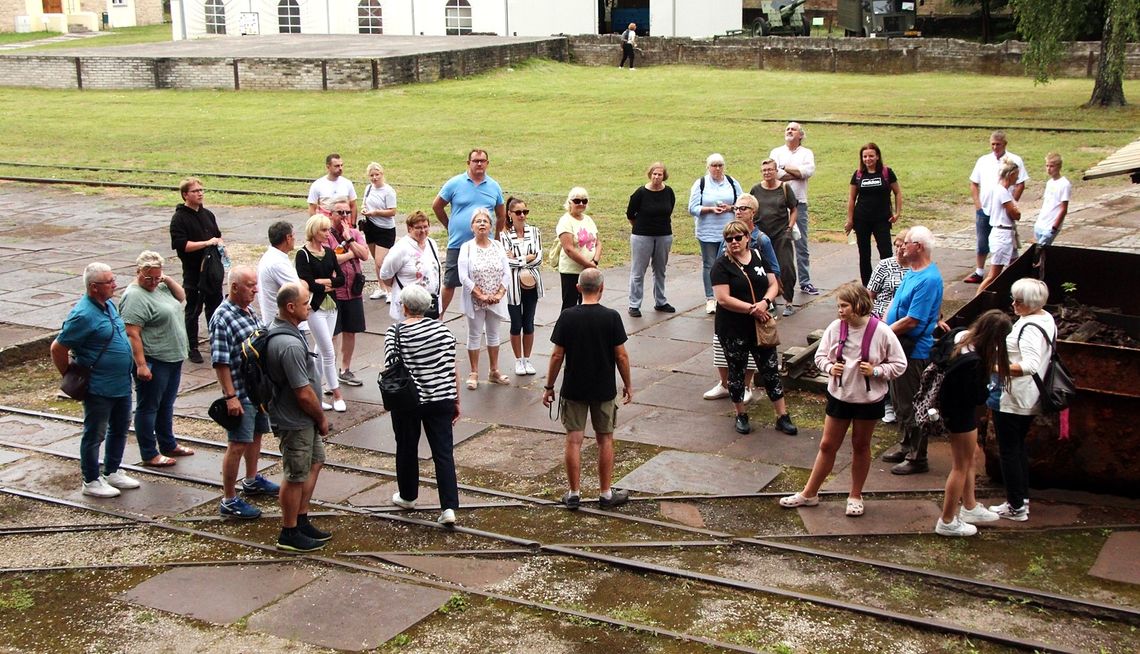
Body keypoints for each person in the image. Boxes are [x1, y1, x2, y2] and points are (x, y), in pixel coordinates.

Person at [780, 283, 906, 516]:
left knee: (861, 445)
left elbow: (900, 364)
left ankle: (855, 495)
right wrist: (829, 367)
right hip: (840, 396)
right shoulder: (836, 328)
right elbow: (820, 356)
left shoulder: (881, 331)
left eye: (844, 306)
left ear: (859, 305)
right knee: (828, 445)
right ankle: (809, 493)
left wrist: (877, 371)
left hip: (868, 400)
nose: (840, 311)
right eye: (838, 306)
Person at [543, 269, 632, 510]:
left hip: (574, 388)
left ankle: (573, 493)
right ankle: (605, 493)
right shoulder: (612, 317)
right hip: (603, 388)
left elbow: (556, 355)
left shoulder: (567, 317)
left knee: (573, 440)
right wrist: (628, 384)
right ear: (602, 289)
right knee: (605, 440)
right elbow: (621, 356)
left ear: (578, 288)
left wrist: (549, 386)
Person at [50, 263, 139, 498]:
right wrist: (70, 374)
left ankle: (112, 470)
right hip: (99, 386)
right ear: (93, 287)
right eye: (109, 282)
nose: (114, 284)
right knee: (95, 434)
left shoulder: (108, 304)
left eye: (113, 279)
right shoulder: (82, 315)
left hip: (120, 383)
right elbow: (58, 348)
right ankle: (90, 479)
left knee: (120, 427)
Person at [703, 195, 789, 430]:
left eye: (738, 237)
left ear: (748, 238)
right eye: (729, 239)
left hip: (760, 323)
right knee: (736, 372)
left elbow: (774, 284)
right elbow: (723, 299)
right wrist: (754, 309)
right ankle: (740, 414)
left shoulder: (759, 256)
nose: (733, 242)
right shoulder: (721, 265)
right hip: (734, 327)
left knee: (770, 369)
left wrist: (765, 302)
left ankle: (782, 416)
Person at [386, 284, 461, 527]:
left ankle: (408, 496)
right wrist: (456, 399)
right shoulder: (443, 331)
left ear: (405, 307)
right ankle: (448, 506)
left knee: (406, 447)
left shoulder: (395, 332)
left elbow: (390, 367)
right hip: (441, 398)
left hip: (408, 401)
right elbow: (452, 366)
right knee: (443, 452)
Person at [209, 265, 280, 519]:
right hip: (240, 391)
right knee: (237, 443)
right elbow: (220, 361)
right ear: (234, 287)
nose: (256, 289)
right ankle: (228, 499)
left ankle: (251, 480)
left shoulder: (248, 310)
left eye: (255, 284)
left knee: (257, 434)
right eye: (250, 285)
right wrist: (230, 397)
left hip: (257, 390)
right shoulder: (223, 317)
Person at [266, 283, 332, 552]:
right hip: (296, 419)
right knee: (295, 474)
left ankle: (301, 519)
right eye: (306, 303)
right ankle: (289, 531)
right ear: (290, 307)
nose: (310, 307)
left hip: (303, 419)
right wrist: (321, 418)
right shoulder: (289, 344)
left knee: (314, 462)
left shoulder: (289, 333)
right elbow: (303, 393)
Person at [935, 309, 1011, 536]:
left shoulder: (959, 337)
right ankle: (947, 520)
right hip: (960, 414)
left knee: (972, 456)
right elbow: (977, 397)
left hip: (952, 411)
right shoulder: (973, 362)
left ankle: (969, 506)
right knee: (961, 465)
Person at [120, 251, 195, 468]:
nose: (153, 282)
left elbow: (182, 297)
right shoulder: (134, 296)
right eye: (148, 278)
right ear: (138, 272)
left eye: (156, 277)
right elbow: (132, 333)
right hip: (155, 358)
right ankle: (149, 452)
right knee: (149, 406)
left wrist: (167, 280)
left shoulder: (161, 286)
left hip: (172, 357)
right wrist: (141, 365)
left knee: (166, 405)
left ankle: (168, 443)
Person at [990, 278, 1056, 522]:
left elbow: (1029, 365)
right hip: (1027, 395)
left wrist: (995, 367)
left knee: (1009, 450)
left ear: (1032, 303)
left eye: (1019, 301)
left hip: (1014, 396)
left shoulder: (1028, 328)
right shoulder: (1045, 319)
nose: (1014, 304)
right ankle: (1020, 499)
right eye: (1014, 298)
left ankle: (1016, 506)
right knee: (1016, 448)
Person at [881, 226, 944, 475]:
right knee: (898, 400)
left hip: (913, 349)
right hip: (898, 345)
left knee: (911, 402)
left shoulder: (928, 279)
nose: (902, 246)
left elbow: (912, 320)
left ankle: (918, 456)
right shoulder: (912, 272)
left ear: (918, 246)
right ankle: (906, 444)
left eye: (906, 242)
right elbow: (896, 305)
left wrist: (882, 334)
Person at [432, 149, 506, 315]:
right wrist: (449, 225)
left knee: (486, 281)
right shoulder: (455, 183)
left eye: (482, 161)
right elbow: (437, 206)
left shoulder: (494, 186)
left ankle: (486, 316)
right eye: (475, 161)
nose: (479, 164)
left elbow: (501, 215)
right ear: (468, 163)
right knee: (450, 281)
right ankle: (438, 317)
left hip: (484, 246)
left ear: (487, 163)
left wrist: (496, 239)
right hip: (458, 243)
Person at [296, 214, 346, 412]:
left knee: (320, 349)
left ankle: (315, 390)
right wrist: (328, 283)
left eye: (327, 230)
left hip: (331, 306)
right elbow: (306, 282)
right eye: (323, 230)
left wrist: (323, 283)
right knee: (328, 351)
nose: (327, 234)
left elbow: (340, 279)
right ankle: (337, 393)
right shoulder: (303, 254)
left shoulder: (329, 252)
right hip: (315, 307)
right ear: (313, 231)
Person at [169, 177, 222, 364]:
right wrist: (206, 243)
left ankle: (216, 341)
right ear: (185, 195)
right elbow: (181, 245)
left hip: (211, 271)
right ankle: (192, 346)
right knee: (193, 310)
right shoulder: (179, 218)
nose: (200, 193)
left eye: (201, 190)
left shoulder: (207, 214)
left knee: (215, 308)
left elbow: (217, 236)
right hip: (193, 272)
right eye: (195, 191)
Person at [458, 208, 511, 389]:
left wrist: (499, 294)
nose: (482, 224)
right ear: (472, 226)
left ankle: (494, 370)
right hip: (476, 299)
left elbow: (507, 272)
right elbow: (463, 276)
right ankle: (473, 372)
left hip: (496, 297)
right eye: (478, 221)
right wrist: (479, 294)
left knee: (494, 333)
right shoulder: (467, 247)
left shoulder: (497, 245)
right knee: (474, 334)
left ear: (490, 226)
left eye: (485, 221)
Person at [966, 131, 1028, 284]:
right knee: (982, 241)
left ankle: (1012, 275)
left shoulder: (1014, 160)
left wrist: (1012, 202)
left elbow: (1021, 183)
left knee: (1010, 243)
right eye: (992, 144)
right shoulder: (983, 161)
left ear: (1004, 144)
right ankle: (979, 271)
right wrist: (978, 204)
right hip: (985, 208)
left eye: (998, 144)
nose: (995, 147)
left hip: (1003, 211)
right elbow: (974, 183)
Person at [688, 153, 744, 314]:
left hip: (729, 232)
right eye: (714, 165)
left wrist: (730, 208)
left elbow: (743, 203)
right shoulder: (701, 184)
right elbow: (692, 208)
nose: (717, 168)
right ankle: (711, 298)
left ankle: (731, 296)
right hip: (707, 232)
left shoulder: (732, 182)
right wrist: (710, 209)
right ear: (708, 167)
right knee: (709, 264)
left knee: (733, 262)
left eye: (720, 165)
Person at [866, 228, 911, 424]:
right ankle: (886, 403)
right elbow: (870, 294)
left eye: (903, 245)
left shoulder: (916, 270)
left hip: (904, 322)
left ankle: (899, 401)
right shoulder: (885, 265)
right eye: (897, 245)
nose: (900, 249)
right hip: (882, 320)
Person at [769, 122, 819, 296]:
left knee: (801, 244)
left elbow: (807, 172)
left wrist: (785, 169)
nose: (789, 131)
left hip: (799, 203)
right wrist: (794, 173)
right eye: (787, 129)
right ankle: (778, 282)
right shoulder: (776, 152)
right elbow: (775, 174)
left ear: (801, 135)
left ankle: (805, 281)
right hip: (778, 204)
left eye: (793, 129)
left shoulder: (807, 153)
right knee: (778, 244)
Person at [325, 198, 370, 387]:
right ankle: (329, 373)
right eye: (340, 212)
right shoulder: (326, 235)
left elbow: (365, 255)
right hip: (335, 292)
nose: (344, 216)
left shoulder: (354, 233)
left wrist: (349, 239)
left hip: (354, 291)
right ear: (331, 215)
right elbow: (330, 260)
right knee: (332, 333)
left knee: (351, 331)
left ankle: (345, 369)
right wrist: (353, 253)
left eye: (347, 212)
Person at [846, 142, 903, 285]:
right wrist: (850, 220)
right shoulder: (858, 175)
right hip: (862, 220)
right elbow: (852, 198)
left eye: (871, 156)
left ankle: (888, 283)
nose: (868, 159)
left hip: (882, 219)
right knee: (864, 255)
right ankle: (868, 286)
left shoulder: (886, 172)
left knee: (886, 253)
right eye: (865, 156)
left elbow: (897, 192)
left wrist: (897, 213)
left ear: (877, 156)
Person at [749, 159, 799, 317]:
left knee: (786, 267)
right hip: (762, 236)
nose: (767, 173)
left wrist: (789, 228)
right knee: (763, 269)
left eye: (770, 170)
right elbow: (750, 208)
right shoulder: (756, 189)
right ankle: (770, 300)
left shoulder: (784, 188)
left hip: (781, 235)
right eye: (764, 170)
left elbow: (794, 209)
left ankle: (789, 301)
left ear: (776, 171)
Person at [626, 161, 676, 317]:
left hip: (664, 235)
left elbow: (669, 209)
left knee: (660, 269)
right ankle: (634, 304)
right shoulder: (640, 193)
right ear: (650, 175)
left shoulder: (668, 192)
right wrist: (640, 227)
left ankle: (660, 301)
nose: (656, 177)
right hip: (642, 235)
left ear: (664, 176)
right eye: (654, 174)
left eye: (659, 174)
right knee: (638, 271)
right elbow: (630, 214)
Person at [500, 196, 544, 375]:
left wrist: (517, 259)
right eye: (518, 212)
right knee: (516, 323)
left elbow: (539, 258)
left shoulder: (534, 232)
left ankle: (527, 359)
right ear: (510, 214)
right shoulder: (504, 236)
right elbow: (505, 262)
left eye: (525, 212)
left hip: (532, 283)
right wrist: (527, 258)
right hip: (513, 286)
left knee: (529, 322)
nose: (522, 216)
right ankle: (518, 360)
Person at [381, 211, 443, 321]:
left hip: (430, 306)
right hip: (409, 309)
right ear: (409, 228)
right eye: (418, 228)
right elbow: (385, 275)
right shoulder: (400, 248)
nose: (423, 231)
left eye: (425, 227)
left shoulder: (431, 243)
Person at [975, 158, 1023, 296]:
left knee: (1015, 267)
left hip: (1008, 234)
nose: (1018, 178)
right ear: (1010, 175)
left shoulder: (1004, 191)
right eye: (1016, 175)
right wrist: (1016, 211)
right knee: (993, 275)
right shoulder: (1001, 191)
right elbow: (1015, 214)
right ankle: (977, 299)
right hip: (1002, 235)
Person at [556, 186, 601, 311]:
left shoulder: (588, 219)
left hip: (589, 270)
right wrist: (588, 264)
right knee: (569, 306)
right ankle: (566, 330)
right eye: (577, 201)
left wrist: (595, 262)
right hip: (571, 272)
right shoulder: (565, 221)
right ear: (569, 202)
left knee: (589, 304)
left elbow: (598, 242)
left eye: (584, 201)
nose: (581, 204)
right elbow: (569, 249)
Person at [360, 162, 398, 301]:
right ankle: (381, 287)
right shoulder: (368, 188)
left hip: (385, 229)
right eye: (372, 175)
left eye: (377, 175)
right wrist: (364, 209)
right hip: (371, 227)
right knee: (376, 261)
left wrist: (375, 213)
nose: (375, 178)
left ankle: (390, 289)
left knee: (381, 261)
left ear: (382, 174)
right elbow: (364, 203)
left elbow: (392, 211)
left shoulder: (388, 191)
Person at [257, 221, 301, 325]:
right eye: (293, 235)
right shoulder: (277, 263)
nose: (295, 239)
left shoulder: (274, 257)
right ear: (288, 238)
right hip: (283, 324)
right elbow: (299, 291)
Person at [1033, 152, 1071, 247]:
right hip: (1041, 223)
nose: (1049, 169)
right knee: (1040, 253)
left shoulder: (1064, 184)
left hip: (1050, 225)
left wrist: (1055, 226)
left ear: (1058, 167)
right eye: (1047, 166)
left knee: (1040, 250)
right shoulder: (1049, 183)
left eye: (1052, 166)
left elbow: (1063, 208)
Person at [307, 153, 357, 219]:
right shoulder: (317, 185)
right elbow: (312, 208)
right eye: (337, 166)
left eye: (341, 165)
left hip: (344, 224)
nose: (340, 168)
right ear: (328, 167)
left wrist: (353, 224)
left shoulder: (347, 183)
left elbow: (353, 205)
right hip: (325, 224)